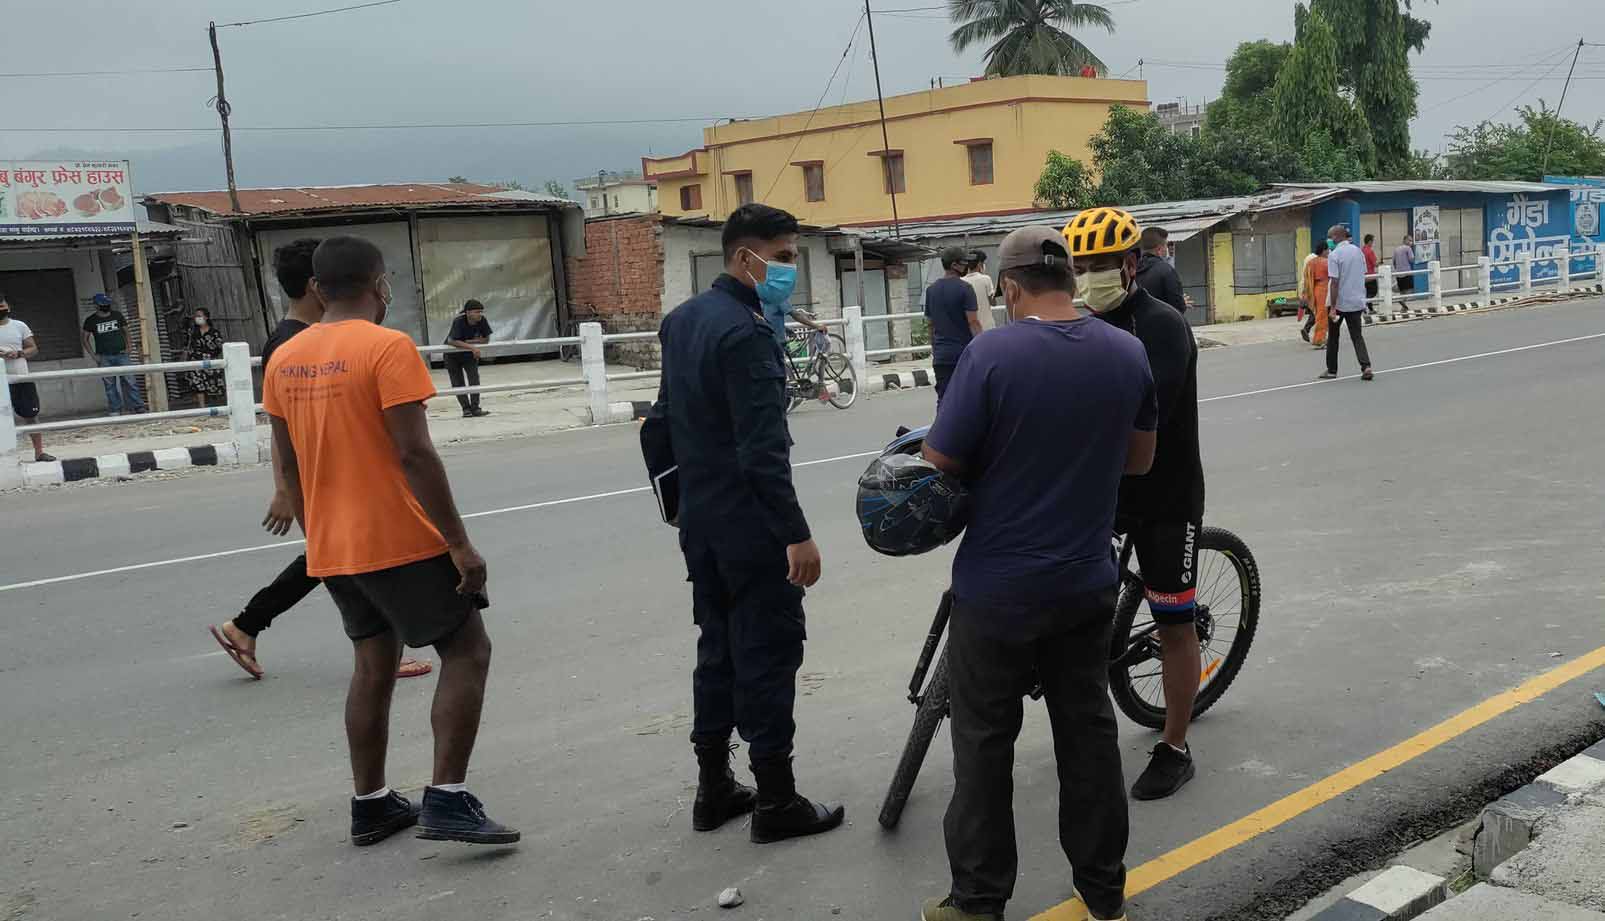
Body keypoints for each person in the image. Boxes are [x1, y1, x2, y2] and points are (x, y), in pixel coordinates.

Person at [918, 223, 1155, 921]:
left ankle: (977, 901)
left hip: (997, 590)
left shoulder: (991, 353)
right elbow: (1139, 460)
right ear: (1072, 280)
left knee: (984, 743)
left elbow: (939, 462)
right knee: (1087, 733)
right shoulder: (1127, 351)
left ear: (1009, 287)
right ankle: (1104, 891)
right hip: (1085, 582)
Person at [263, 235, 516, 846]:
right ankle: (447, 798)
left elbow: (287, 465)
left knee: (373, 664)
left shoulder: (284, 358)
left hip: (332, 545)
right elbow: (415, 454)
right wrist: (459, 544)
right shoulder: (387, 346)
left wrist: (319, 540)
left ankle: (371, 804)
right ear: (380, 286)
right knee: (468, 650)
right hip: (397, 538)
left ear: (318, 288)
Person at [642, 202, 844, 845]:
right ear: (744, 256)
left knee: (718, 650)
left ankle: (714, 787)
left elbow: (659, 425)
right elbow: (762, 452)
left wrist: (681, 506)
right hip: (751, 526)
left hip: (701, 521)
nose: (789, 270)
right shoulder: (747, 333)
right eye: (782, 258)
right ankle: (776, 798)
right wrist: (796, 533)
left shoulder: (683, 321)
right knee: (768, 653)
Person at [208, 239, 430, 682]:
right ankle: (379, 651)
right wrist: (284, 488)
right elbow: (283, 427)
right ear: (316, 285)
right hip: (333, 477)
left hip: (336, 476)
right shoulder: (292, 343)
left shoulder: (304, 338)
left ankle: (248, 625)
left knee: (334, 560)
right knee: (352, 560)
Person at [1073, 207, 1209, 803]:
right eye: (1081, 267)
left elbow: (1140, 416)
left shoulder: (1161, 327)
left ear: (1131, 264)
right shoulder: (1077, 324)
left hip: (1164, 494)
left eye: (1101, 264)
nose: (1090, 277)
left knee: (1175, 621)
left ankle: (1175, 748)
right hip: (1102, 490)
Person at [0, 292, 56, 462]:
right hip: (0, 380)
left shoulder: (19, 325)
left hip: (21, 377)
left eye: (2, 304)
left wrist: (18, 353)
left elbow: (33, 348)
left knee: (30, 415)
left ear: (8, 306)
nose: (1, 308)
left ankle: (39, 452)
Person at [925, 246, 982, 401]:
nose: (967, 266)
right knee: (968, 399)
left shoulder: (931, 290)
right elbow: (973, 322)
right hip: (963, 355)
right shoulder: (965, 289)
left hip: (941, 356)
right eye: (964, 263)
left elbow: (930, 325)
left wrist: (935, 349)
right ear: (954, 265)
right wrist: (982, 347)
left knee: (944, 399)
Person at [1323, 224, 1374, 381]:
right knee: (1357, 336)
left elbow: (1334, 282)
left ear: (1336, 237)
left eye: (1330, 237)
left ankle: (1332, 370)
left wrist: (1333, 307)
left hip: (1339, 302)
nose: (1329, 241)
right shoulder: (1358, 251)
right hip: (1356, 301)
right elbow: (1362, 275)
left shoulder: (1334, 255)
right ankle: (1366, 366)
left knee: (1333, 337)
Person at [81, 293, 146, 415]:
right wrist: (93, 356)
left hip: (122, 355)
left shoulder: (117, 315)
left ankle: (137, 406)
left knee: (130, 381)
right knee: (110, 385)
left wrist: (129, 347)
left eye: (107, 304)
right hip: (104, 357)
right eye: (103, 304)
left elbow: (126, 332)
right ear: (96, 305)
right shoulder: (91, 320)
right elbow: (84, 339)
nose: (106, 306)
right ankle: (115, 409)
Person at [444, 299, 493, 418]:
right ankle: (466, 409)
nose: (480, 314)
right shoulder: (459, 321)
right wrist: (472, 347)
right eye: (477, 312)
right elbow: (451, 341)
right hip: (452, 356)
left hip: (469, 355)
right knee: (458, 382)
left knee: (474, 379)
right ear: (468, 312)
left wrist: (467, 342)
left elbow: (486, 339)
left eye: (481, 311)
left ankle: (475, 408)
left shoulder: (482, 320)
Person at [1134, 226, 1187, 313]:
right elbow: (1178, 307)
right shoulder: (1167, 271)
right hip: (1162, 320)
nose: (1167, 249)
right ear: (1159, 250)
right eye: (1166, 245)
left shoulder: (1131, 270)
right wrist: (1183, 303)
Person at [184, 307, 225, 408]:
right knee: (198, 384)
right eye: (195, 316)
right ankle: (202, 407)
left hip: (210, 361)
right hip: (195, 361)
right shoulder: (192, 332)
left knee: (213, 385)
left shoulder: (214, 333)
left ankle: (218, 406)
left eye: (199, 316)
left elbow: (219, 347)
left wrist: (210, 356)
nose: (197, 318)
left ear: (206, 317)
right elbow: (187, 345)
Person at [1302, 241, 1331, 348]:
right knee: (1322, 316)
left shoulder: (1311, 262)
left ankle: (1322, 338)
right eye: (1327, 250)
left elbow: (1306, 278)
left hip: (1315, 290)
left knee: (1319, 314)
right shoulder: (1326, 262)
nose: (1328, 252)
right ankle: (1319, 339)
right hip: (1324, 289)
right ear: (1324, 250)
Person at [962, 250, 997, 330]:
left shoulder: (961, 281)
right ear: (980, 264)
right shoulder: (986, 279)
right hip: (987, 327)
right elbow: (993, 303)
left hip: (971, 329)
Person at [1362, 233, 1380, 307]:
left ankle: (1370, 308)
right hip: (1371, 275)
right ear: (1369, 241)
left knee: (1367, 292)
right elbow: (1375, 264)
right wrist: (1379, 263)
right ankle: (1366, 303)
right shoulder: (1370, 251)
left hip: (1363, 275)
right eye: (1372, 241)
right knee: (1373, 292)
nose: (1373, 243)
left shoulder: (1361, 250)